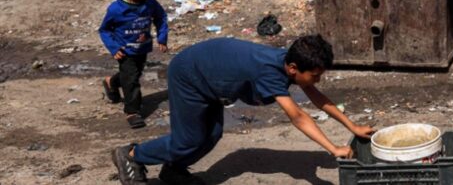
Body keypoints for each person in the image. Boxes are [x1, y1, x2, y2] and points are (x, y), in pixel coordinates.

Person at [111, 35, 373, 185]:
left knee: (212, 134)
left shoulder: (291, 62)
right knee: (188, 139)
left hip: (210, 77)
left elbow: (318, 98)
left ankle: (173, 170)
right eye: (315, 76)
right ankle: (133, 155)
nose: (318, 80)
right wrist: (333, 149)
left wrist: (353, 127)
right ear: (293, 68)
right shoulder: (270, 72)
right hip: (189, 75)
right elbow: (297, 116)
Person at [99, 0, 168, 130]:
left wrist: (162, 37)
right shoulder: (116, 9)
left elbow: (161, 17)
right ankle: (132, 111)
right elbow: (104, 30)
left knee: (133, 74)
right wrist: (114, 48)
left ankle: (111, 82)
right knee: (131, 80)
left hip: (142, 48)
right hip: (124, 50)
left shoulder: (150, 4)